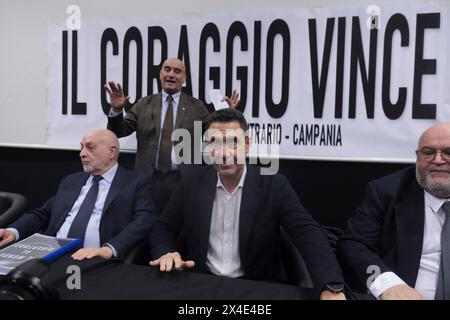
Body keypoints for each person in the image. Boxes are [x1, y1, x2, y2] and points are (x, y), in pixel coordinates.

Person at [148, 108, 346, 300]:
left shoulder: (274, 185)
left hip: (256, 286)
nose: (224, 153)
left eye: (233, 142)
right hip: (203, 283)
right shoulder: (192, 182)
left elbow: (306, 232)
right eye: (215, 143)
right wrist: (166, 252)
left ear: (248, 144)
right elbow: (163, 227)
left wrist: (331, 287)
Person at [105, 57, 239, 215]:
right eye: (167, 69)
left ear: (184, 79)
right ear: (160, 74)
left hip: (183, 181)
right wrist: (116, 111)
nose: (171, 74)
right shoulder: (144, 104)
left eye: (177, 71)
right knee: (146, 226)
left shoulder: (196, 107)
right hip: (148, 180)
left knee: (180, 229)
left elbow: (216, 135)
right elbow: (119, 131)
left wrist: (230, 114)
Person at [0, 129, 156, 260]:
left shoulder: (136, 182)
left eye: (90, 147)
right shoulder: (71, 181)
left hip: (96, 259)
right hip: (52, 255)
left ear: (111, 152)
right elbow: (43, 213)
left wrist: (109, 249)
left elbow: (144, 220)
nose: (82, 153)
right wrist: (13, 231)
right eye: (81, 147)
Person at [338, 122, 450, 300]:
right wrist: (386, 283)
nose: (437, 160)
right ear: (417, 156)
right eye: (428, 152)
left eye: (448, 152)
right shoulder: (387, 191)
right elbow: (354, 246)